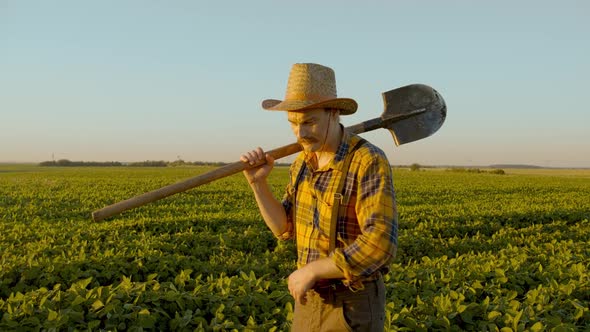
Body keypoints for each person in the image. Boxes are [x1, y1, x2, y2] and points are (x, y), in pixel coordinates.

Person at [240, 63, 398, 332]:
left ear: (334, 113)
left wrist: (314, 270)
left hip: (351, 305)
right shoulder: (302, 163)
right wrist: (258, 184)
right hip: (309, 300)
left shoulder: (366, 160)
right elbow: (284, 228)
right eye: (293, 123)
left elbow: (380, 244)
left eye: (309, 122)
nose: (300, 134)